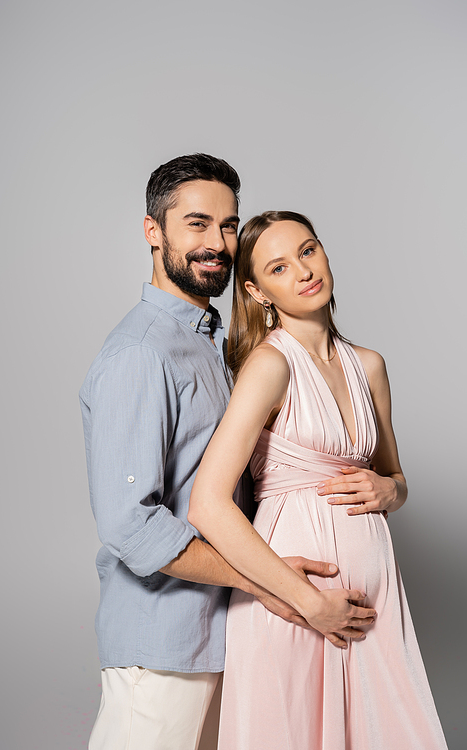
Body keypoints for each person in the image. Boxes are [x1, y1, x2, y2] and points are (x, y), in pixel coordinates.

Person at [79, 160, 375, 750]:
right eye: (196, 224)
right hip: (164, 645)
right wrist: (271, 584)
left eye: (228, 225)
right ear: (152, 231)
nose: (217, 244)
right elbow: (130, 526)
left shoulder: (219, 344)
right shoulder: (141, 353)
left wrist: (387, 487)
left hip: (234, 640)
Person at [188, 211, 448, 749]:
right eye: (280, 267)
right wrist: (306, 601)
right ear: (258, 292)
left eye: (308, 251)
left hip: (373, 607)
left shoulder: (369, 365)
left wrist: (391, 490)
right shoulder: (270, 366)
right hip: (296, 605)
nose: (304, 271)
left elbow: (394, 477)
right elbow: (207, 503)